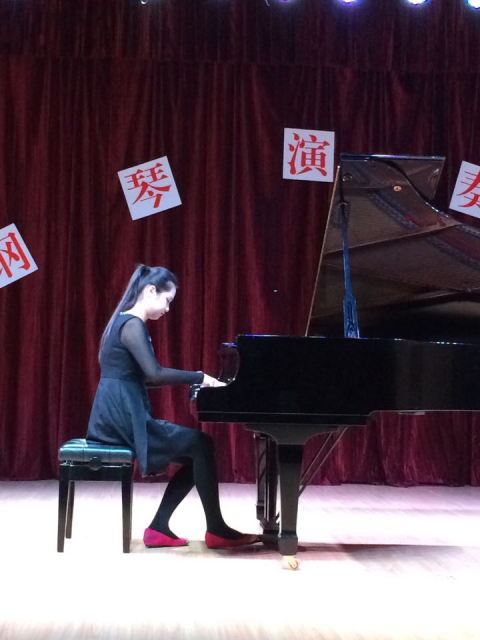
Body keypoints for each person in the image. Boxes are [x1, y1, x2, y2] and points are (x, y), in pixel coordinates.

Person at [87, 264, 258, 549]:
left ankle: (160, 528)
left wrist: (191, 382)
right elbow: (154, 374)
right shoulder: (132, 324)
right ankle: (215, 530)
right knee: (201, 445)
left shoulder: (122, 322)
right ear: (150, 291)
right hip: (122, 419)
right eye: (167, 300)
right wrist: (200, 377)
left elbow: (141, 378)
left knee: (198, 450)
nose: (168, 309)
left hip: (116, 412)